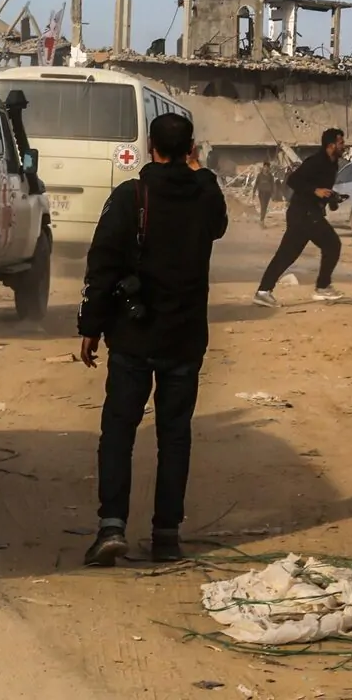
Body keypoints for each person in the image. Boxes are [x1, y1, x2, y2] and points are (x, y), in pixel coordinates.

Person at [77, 112, 229, 565]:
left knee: (119, 431)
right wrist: (200, 171)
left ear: (149, 148)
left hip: (133, 337)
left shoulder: (131, 196)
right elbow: (219, 223)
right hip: (184, 339)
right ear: (191, 150)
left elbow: (102, 262)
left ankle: (112, 527)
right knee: (174, 436)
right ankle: (166, 535)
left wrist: (90, 326)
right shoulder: (206, 196)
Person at [254, 129, 347, 307]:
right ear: (331, 145)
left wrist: (333, 198)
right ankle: (322, 287)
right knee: (332, 244)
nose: (344, 146)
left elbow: (322, 189)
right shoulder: (316, 161)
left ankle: (263, 291)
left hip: (309, 213)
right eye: (341, 143)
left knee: (288, 254)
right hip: (303, 213)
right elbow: (293, 180)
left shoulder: (332, 164)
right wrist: (315, 191)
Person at [256, 159, 276, 228]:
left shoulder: (270, 176)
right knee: (263, 207)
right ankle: (261, 221)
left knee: (265, 207)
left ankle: (262, 221)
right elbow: (256, 183)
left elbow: (273, 185)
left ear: (269, 168)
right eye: (265, 167)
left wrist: (273, 194)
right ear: (263, 167)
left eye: (267, 167)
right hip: (261, 193)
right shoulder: (259, 175)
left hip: (268, 193)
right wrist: (253, 193)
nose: (266, 168)